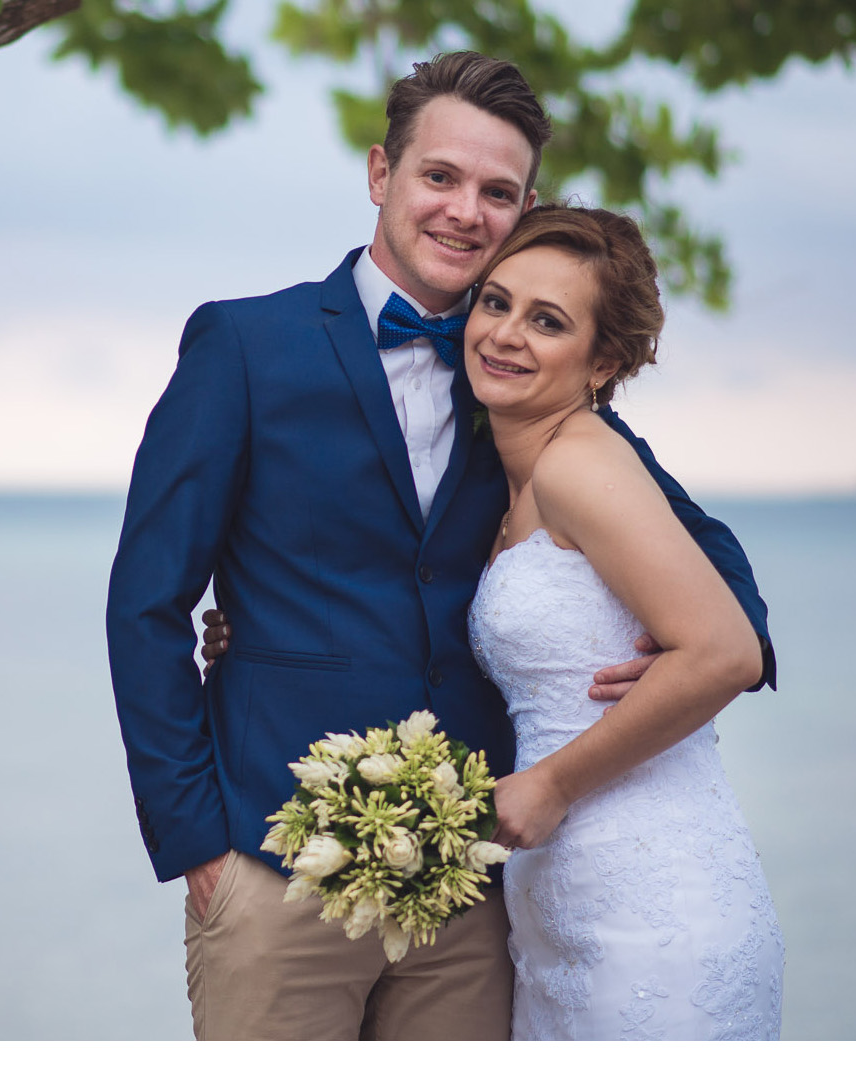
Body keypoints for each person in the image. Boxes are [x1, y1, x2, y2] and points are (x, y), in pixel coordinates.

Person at [103, 51, 776, 1040]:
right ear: (382, 174)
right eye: (440, 176)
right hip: (275, 865)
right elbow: (146, 603)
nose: (465, 211)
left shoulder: (519, 367)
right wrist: (198, 843)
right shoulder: (245, 347)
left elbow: (694, 536)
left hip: (472, 886)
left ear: (525, 209)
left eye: (496, 192)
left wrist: (720, 643)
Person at [461, 203, 787, 1039]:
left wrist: (554, 783)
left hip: (654, 915)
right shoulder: (513, 474)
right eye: (495, 302)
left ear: (602, 361)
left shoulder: (579, 464)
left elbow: (725, 650)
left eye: (547, 321)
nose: (504, 334)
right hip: (563, 914)